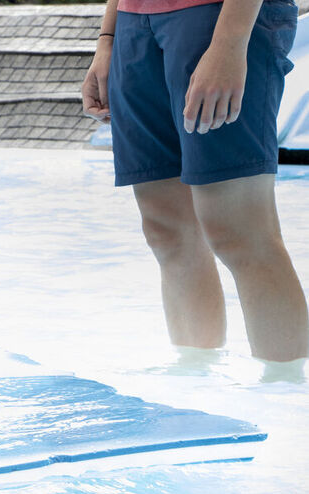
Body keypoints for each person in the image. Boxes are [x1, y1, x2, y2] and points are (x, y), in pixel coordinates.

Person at [82, 0, 308, 362]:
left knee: (240, 231)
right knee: (167, 231)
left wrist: (229, 43)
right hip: (133, 22)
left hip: (220, 14)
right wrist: (107, 39)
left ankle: (284, 386)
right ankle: (195, 379)